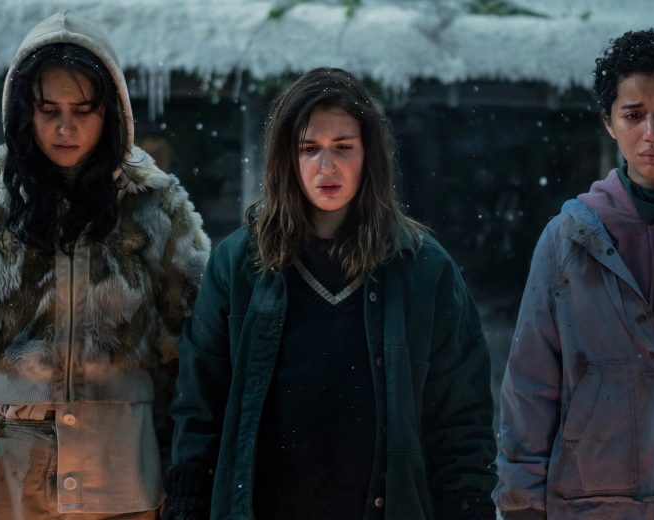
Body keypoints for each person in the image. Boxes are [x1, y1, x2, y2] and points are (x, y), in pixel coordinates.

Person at [164, 67, 496, 519]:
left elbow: (461, 421)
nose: (327, 167)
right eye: (309, 149)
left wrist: (467, 507)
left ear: (368, 155)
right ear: (287, 158)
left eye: (343, 147)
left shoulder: (424, 270)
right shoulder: (238, 265)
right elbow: (199, 405)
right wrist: (186, 503)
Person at [0, 11, 210, 519]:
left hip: (121, 478)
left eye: (83, 109)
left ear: (111, 111)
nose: (65, 127)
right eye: (48, 109)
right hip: (1, 480)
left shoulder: (153, 205)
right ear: (22, 111)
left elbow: (193, 357)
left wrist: (187, 476)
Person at [493, 28, 654, 519]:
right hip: (589, 499)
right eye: (634, 115)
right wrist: (520, 504)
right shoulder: (567, 240)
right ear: (608, 122)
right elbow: (531, 386)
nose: (653, 132)